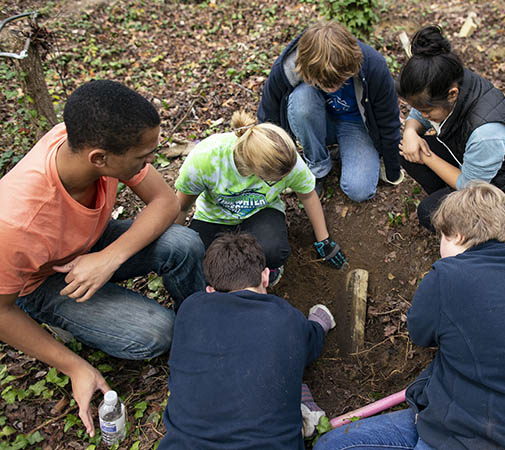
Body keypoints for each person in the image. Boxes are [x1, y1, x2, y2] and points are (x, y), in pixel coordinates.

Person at [0, 80, 205, 437]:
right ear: (99, 159)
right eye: (143, 158)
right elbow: (1, 312)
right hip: (46, 281)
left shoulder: (91, 139)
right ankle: (65, 321)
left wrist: (108, 258)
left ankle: (206, 319)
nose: (151, 162)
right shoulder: (16, 223)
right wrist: (74, 367)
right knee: (158, 333)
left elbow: (166, 202)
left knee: (183, 243)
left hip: (92, 243)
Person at [315, 182, 505, 450]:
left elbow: (420, 333)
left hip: (475, 437)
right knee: (333, 445)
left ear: (458, 236)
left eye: (441, 236)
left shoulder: (448, 274)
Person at [159, 231, 335, 449]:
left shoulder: (190, 309)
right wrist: (319, 322)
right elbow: (311, 344)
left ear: (210, 290)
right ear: (265, 276)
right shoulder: (284, 317)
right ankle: (302, 410)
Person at [396, 25, 505, 231]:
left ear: (452, 94)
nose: (423, 114)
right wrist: (410, 131)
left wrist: (426, 157)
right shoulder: (447, 78)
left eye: (427, 110)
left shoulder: (487, 133)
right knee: (405, 149)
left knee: (428, 213)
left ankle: (472, 225)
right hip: (473, 167)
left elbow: (470, 185)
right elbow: (419, 113)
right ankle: (448, 196)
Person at [175, 110, 346, 284]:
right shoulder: (206, 159)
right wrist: (174, 247)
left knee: (273, 251)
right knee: (201, 265)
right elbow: (181, 207)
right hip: (214, 218)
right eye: (276, 180)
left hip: (260, 213)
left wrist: (323, 239)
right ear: (255, 172)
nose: (285, 180)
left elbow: (308, 196)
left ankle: (268, 270)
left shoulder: (287, 160)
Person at [257, 20, 403, 201]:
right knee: (302, 100)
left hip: (355, 125)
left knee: (359, 190)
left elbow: (388, 122)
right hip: (316, 119)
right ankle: (317, 168)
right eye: (325, 84)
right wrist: (278, 164)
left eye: (340, 81)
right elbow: (268, 116)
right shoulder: (287, 67)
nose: (333, 88)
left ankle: (340, 150)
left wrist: (392, 169)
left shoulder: (374, 66)